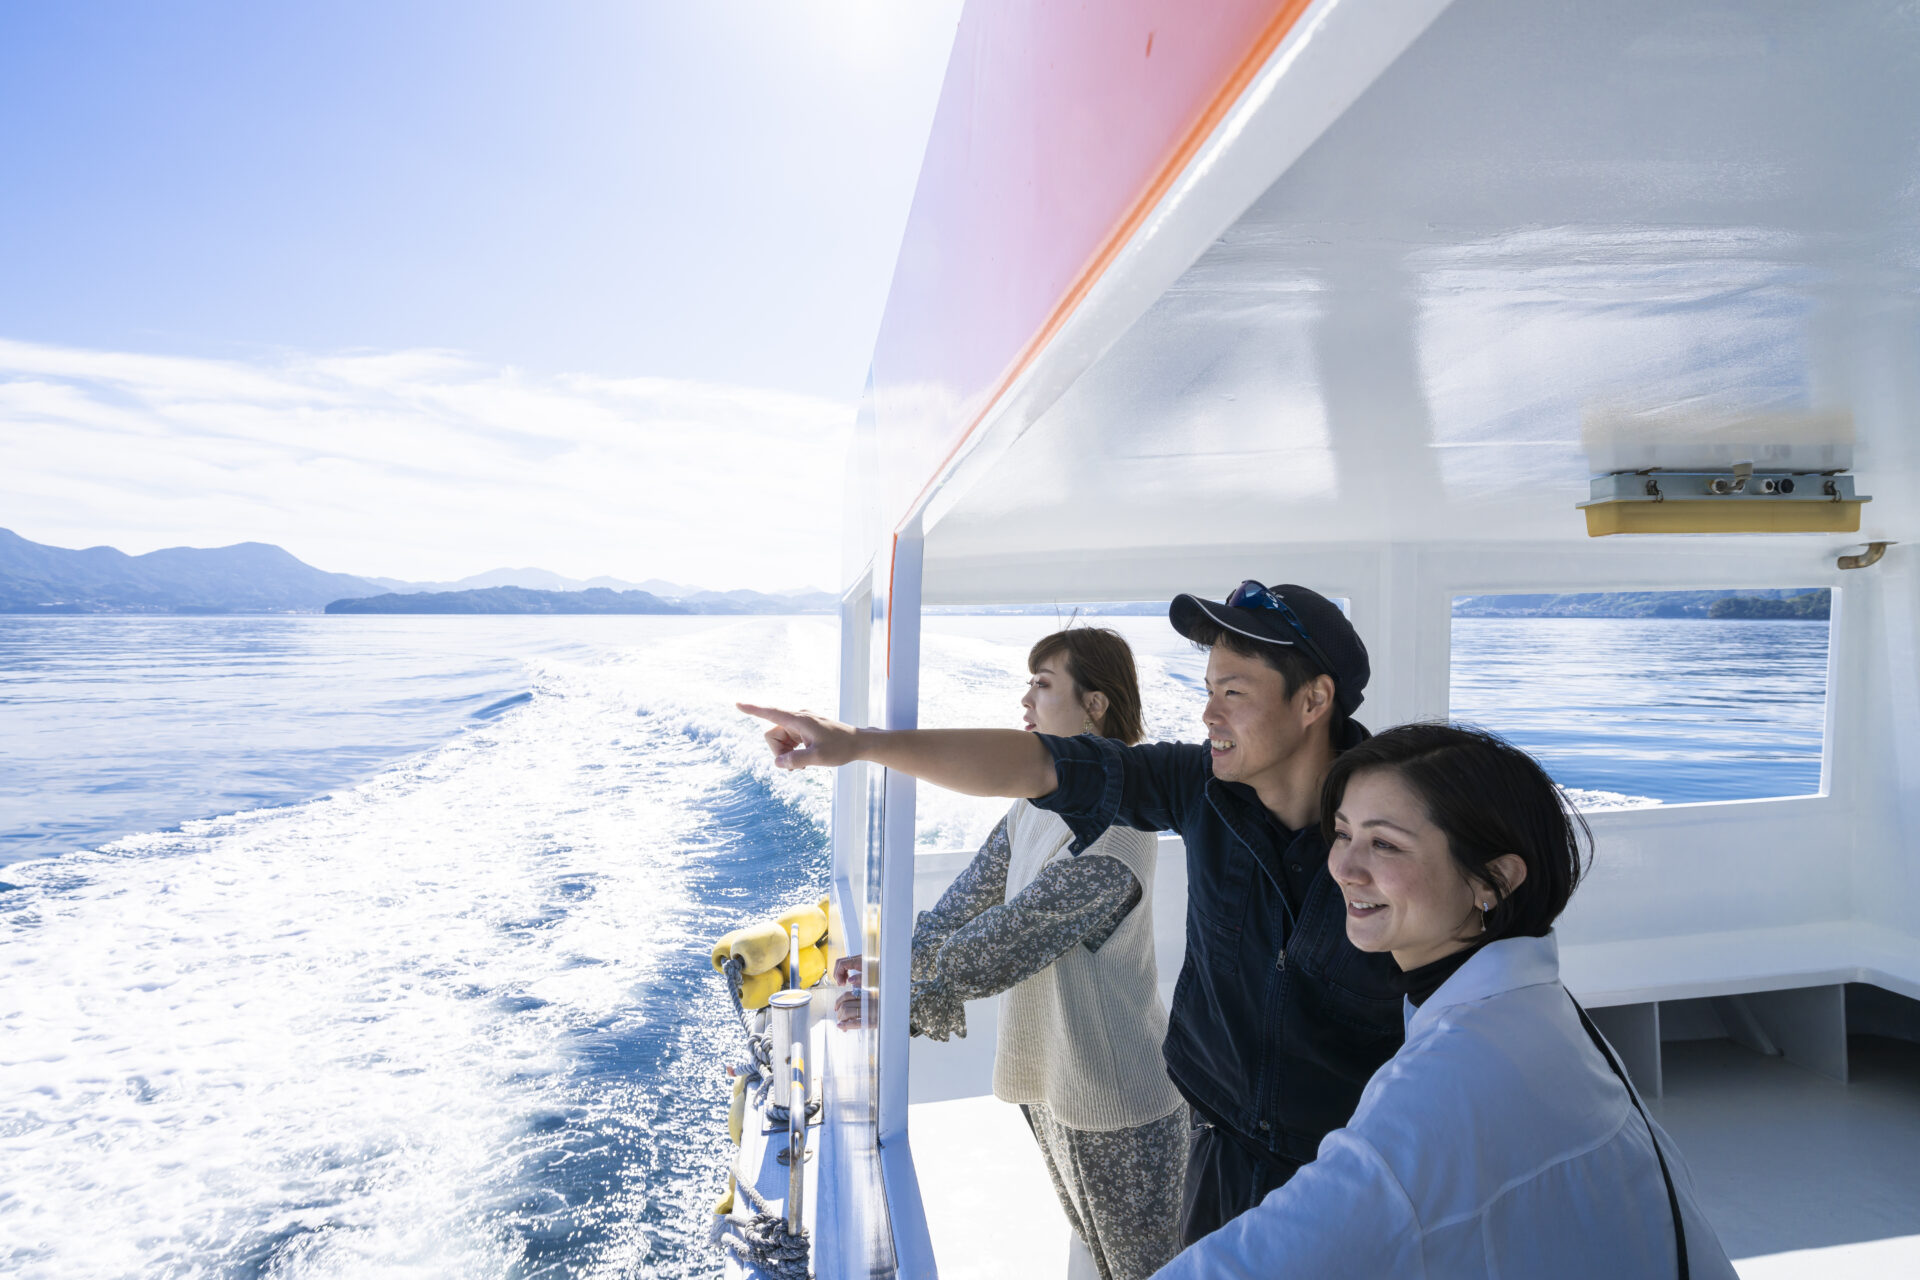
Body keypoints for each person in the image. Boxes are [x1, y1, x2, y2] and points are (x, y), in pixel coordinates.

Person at [741, 581, 1406, 1247]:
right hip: (1214, 1143)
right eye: (1207, 689)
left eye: (1232, 692)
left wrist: (912, 990)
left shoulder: (1402, 836)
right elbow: (1036, 769)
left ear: (1314, 700)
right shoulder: (1198, 787)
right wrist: (858, 744)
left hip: (1336, 1170)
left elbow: (1455, 996)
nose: (1207, 713)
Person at [1152, 723, 1738, 1279]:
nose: (1343, 868)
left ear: (1494, 881)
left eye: (1385, 844)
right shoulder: (1533, 1010)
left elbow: (1261, 1264)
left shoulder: (1451, 1078)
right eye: (1342, 832)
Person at [839, 627, 1187, 1280]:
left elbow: (1004, 944)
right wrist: (898, 966)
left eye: (1044, 684)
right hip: (1055, 1086)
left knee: (1142, 1272)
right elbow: (969, 901)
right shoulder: (1040, 806)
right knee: (1093, 1250)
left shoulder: (1120, 832)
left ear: (1096, 705)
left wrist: (902, 1004)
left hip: (1118, 1106)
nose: (1025, 699)